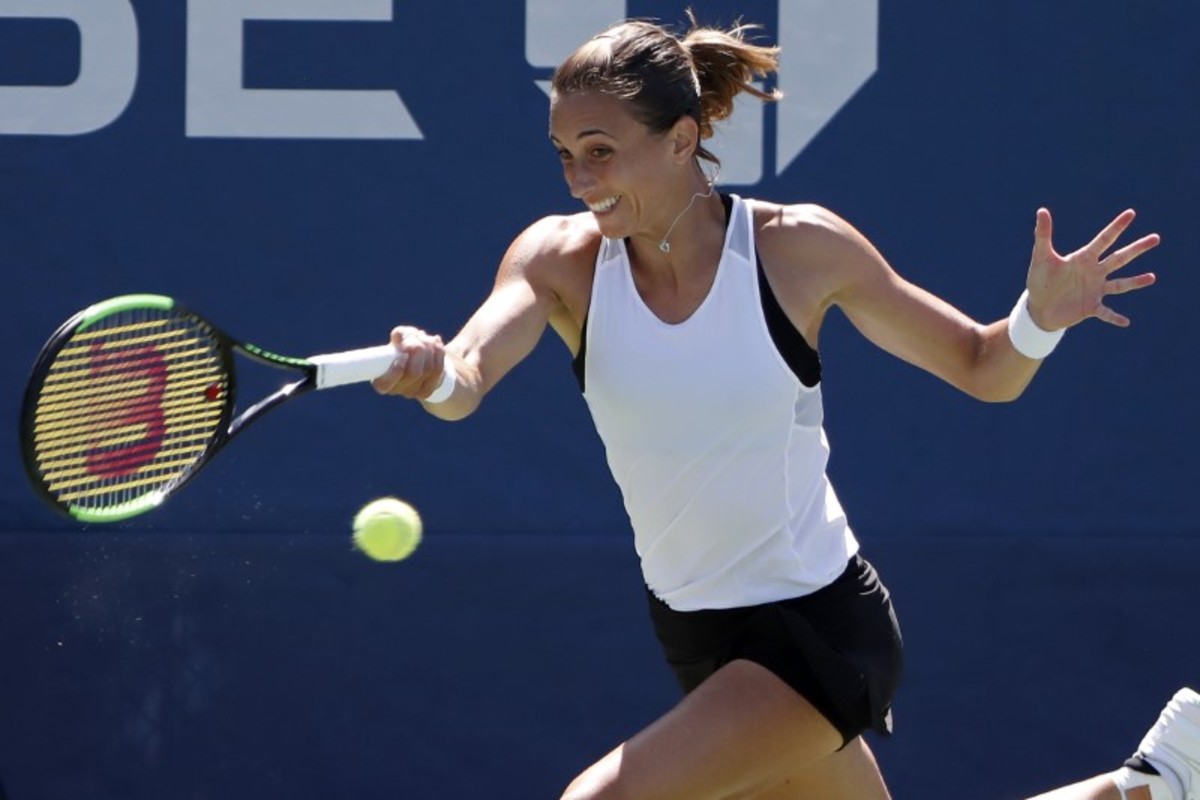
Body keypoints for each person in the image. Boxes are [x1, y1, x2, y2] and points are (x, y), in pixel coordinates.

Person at [371, 14, 1195, 800]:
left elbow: (985, 368)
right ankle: (1152, 785)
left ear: (682, 139)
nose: (580, 180)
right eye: (564, 156)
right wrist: (433, 373)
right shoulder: (558, 261)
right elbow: (467, 378)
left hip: (819, 630)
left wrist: (1038, 319)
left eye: (601, 152)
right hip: (696, 634)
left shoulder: (796, 249)